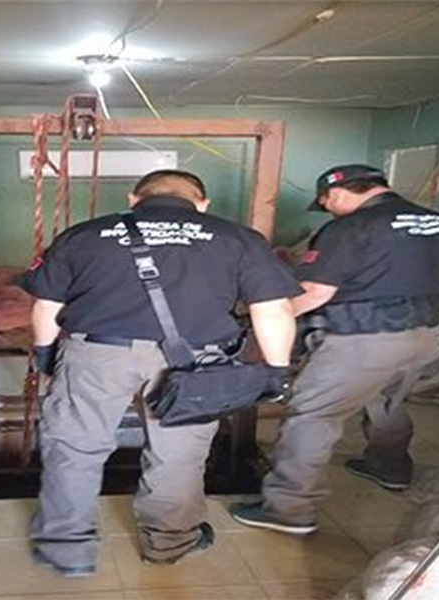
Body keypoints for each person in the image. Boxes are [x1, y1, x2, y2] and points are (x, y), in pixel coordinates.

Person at [22, 169, 300, 576]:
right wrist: (276, 370)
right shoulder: (237, 238)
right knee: (178, 456)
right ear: (202, 204)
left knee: (75, 447)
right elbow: (274, 309)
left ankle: (67, 551)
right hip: (193, 365)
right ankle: (168, 544)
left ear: (134, 199)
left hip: (97, 354)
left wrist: (45, 353)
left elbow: (46, 306)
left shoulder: (84, 235)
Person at [230, 164, 439, 535]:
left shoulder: (350, 227)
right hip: (425, 334)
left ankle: (289, 509)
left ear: (336, 192)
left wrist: (265, 318)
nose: (327, 209)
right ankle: (389, 466)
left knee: (313, 415)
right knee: (386, 401)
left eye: (325, 202)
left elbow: (315, 293)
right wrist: (403, 278)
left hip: (363, 338)